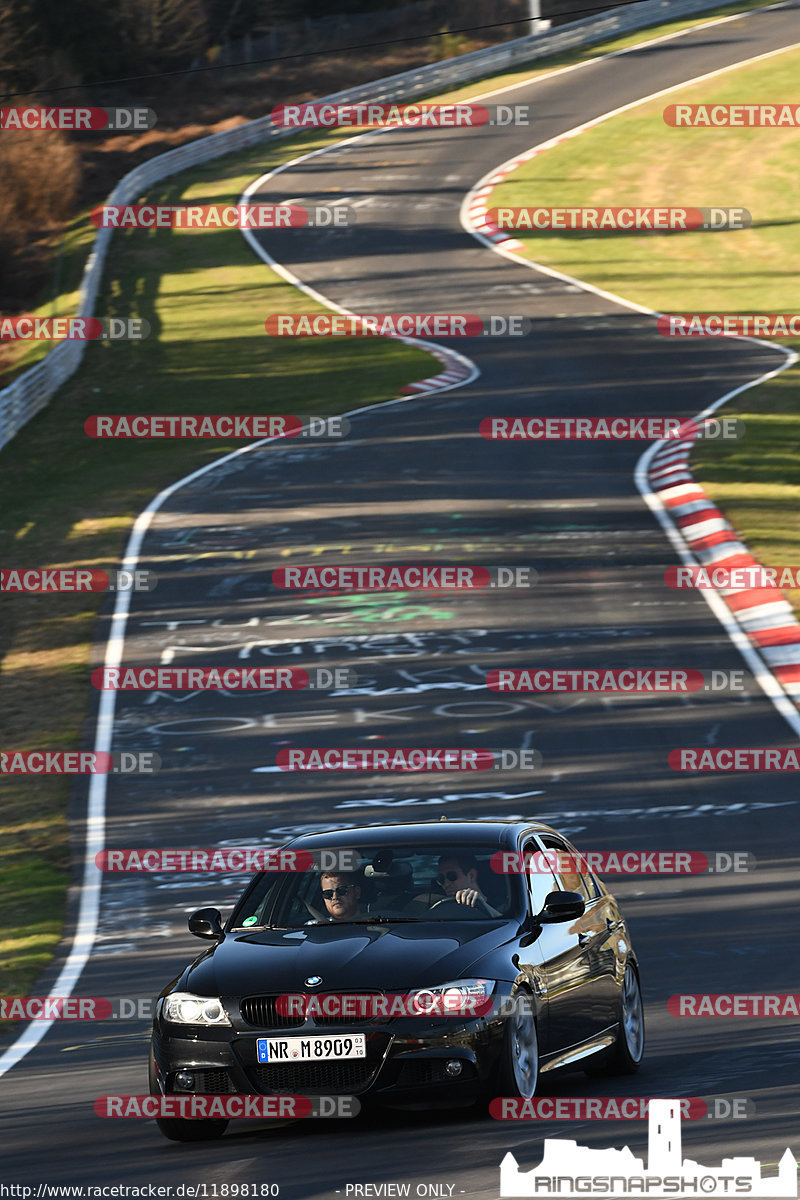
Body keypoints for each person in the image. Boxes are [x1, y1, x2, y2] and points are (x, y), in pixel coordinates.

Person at [424, 853, 502, 915]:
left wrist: (483, 905)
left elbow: (504, 923)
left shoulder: (503, 905)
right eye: (441, 878)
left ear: (472, 875)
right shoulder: (436, 905)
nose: (446, 884)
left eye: (452, 876)